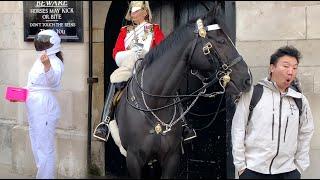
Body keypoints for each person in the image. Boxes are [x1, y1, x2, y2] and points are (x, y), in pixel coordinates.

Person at [93, 1, 197, 151]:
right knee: (114, 79)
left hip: (149, 68)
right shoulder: (124, 31)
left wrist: (147, 54)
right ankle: (104, 123)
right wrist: (130, 54)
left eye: (136, 11)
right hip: (129, 66)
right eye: (132, 12)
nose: (133, 14)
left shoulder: (153, 29)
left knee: (169, 86)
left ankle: (185, 126)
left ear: (145, 12)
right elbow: (116, 52)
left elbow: (163, 49)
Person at [231, 45, 314, 179]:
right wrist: (241, 167)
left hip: (288, 172)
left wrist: (299, 166)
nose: (290, 72)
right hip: (253, 171)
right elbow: (238, 128)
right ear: (272, 68)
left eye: (294, 67)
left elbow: (306, 131)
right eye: (286, 66)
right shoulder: (253, 94)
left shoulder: (300, 100)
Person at [25, 29, 64, 179]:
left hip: (44, 107)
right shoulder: (39, 59)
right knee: (37, 145)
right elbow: (33, 84)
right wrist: (20, 94)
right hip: (34, 106)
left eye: (44, 42)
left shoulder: (55, 61)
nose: (41, 45)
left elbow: (53, 81)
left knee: (45, 148)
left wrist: (47, 66)